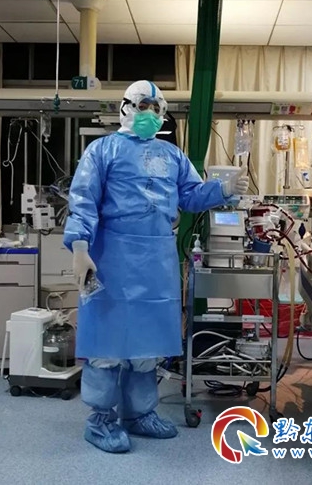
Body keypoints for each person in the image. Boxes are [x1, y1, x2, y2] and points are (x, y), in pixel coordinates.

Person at [63, 80, 249, 453]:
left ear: (163, 114)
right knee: (108, 343)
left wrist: (223, 190)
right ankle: (100, 420)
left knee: (147, 345)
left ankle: (139, 414)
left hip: (157, 259)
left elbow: (191, 195)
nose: (149, 113)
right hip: (111, 256)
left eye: (155, 107)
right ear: (126, 108)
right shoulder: (102, 150)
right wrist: (80, 246)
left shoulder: (172, 155)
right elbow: (83, 199)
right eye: (142, 105)